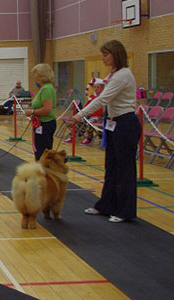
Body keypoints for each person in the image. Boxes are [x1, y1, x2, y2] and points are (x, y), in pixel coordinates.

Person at [68, 40, 140, 223]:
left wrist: (79, 115)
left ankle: (125, 211)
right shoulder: (114, 74)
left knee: (125, 170)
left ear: (116, 54)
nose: (103, 58)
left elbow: (103, 99)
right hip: (114, 123)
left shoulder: (122, 75)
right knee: (111, 167)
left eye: (106, 54)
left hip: (125, 123)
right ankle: (106, 205)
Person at [24, 64, 58, 161]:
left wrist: (32, 111)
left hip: (45, 124)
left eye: (36, 75)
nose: (35, 78)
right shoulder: (45, 88)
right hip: (42, 123)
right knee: (40, 151)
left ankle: (42, 173)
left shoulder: (46, 89)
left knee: (42, 153)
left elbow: (47, 108)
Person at [65, 79, 105, 145]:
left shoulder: (104, 97)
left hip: (99, 117)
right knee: (79, 120)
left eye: (98, 87)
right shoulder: (92, 97)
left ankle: (89, 138)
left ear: (102, 88)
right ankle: (73, 136)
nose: (96, 89)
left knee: (90, 122)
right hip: (89, 115)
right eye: (95, 87)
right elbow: (86, 107)